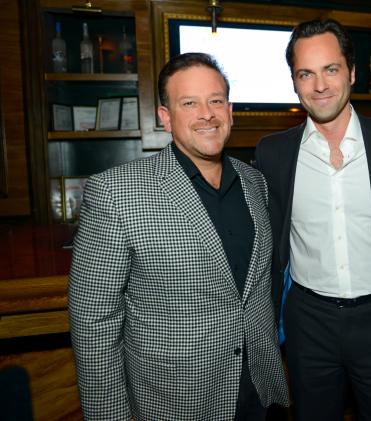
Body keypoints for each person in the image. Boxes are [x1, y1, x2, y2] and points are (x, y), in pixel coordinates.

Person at [68, 53, 289, 421]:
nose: (207, 113)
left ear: (230, 110)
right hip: (178, 402)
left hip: (258, 392)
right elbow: (93, 322)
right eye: (189, 103)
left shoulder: (255, 183)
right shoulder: (116, 192)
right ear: (165, 117)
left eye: (216, 100)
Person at [255, 19, 371, 421]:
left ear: (352, 73)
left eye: (330, 69)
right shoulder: (273, 153)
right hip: (308, 323)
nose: (319, 85)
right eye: (306, 73)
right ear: (294, 82)